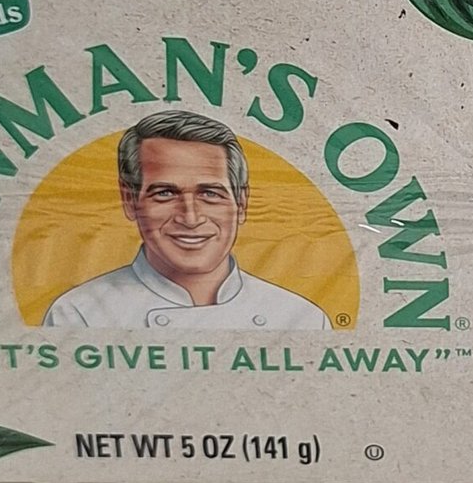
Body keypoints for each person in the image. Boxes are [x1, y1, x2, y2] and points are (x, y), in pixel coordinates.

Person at [42, 112, 329, 330]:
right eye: (165, 193)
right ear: (130, 201)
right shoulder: (78, 315)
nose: (190, 218)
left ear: (241, 203)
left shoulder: (302, 319)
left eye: (210, 193)